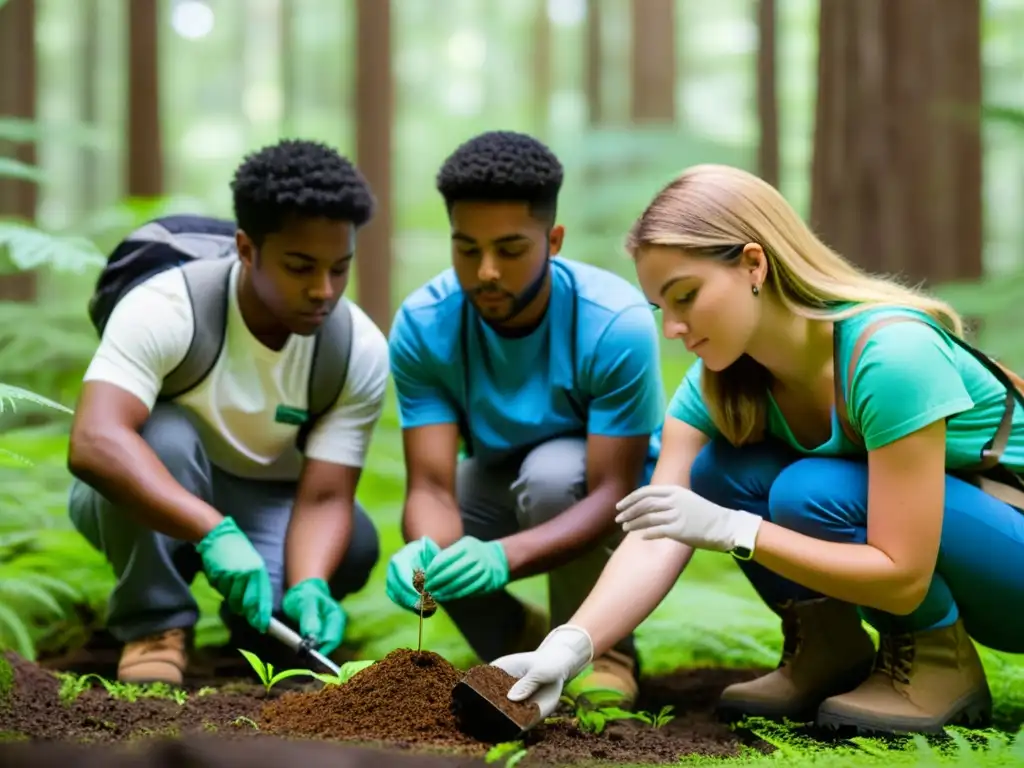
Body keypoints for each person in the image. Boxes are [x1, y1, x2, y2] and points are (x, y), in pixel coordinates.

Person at [490, 163, 1024, 735]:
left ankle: (938, 667)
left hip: (1007, 567)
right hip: (955, 550)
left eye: (686, 296)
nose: (672, 327)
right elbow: (659, 528)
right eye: (660, 308)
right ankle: (829, 651)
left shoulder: (891, 355)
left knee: (812, 489)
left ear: (753, 264)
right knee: (720, 470)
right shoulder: (716, 381)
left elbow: (903, 576)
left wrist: (736, 531)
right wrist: (571, 647)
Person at [66, 139, 388, 686]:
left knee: (355, 540)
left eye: (340, 269)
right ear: (246, 248)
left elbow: (328, 494)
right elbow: (95, 440)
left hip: (263, 499)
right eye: (300, 266)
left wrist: (309, 581)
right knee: (164, 436)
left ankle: (257, 637)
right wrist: (211, 531)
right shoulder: (166, 306)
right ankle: (155, 625)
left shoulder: (357, 347)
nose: (323, 291)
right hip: (149, 485)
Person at [384, 130, 665, 708]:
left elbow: (614, 486)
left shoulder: (615, 321)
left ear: (553, 240)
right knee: (445, 516)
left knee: (552, 474)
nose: (486, 271)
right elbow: (432, 486)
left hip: (601, 493)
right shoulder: (423, 324)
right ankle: (519, 639)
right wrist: (426, 557)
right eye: (467, 249)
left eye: (510, 250)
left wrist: (503, 556)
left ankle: (602, 649)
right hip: (492, 476)